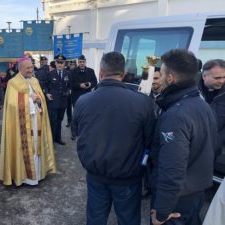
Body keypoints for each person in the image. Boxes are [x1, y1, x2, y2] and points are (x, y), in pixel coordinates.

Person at [72, 52, 155, 225]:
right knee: (128, 219)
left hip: (96, 173)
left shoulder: (83, 101)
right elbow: (150, 141)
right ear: (123, 74)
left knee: (95, 217)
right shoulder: (143, 102)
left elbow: (77, 132)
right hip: (128, 176)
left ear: (101, 72)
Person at [149, 49, 218, 225]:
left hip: (178, 200)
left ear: (170, 78)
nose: (160, 78)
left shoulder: (177, 115)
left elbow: (172, 169)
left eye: (162, 74)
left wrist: (162, 213)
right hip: (196, 191)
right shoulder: (200, 103)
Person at [0, 57, 56, 186]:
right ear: (20, 69)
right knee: (24, 147)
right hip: (21, 124)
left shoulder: (35, 81)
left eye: (31, 67)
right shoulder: (13, 83)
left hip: (36, 120)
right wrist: (30, 100)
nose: (31, 70)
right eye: (28, 68)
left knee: (36, 145)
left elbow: (41, 99)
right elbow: (12, 105)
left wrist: (38, 100)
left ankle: (38, 174)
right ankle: (24, 177)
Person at [199, 59, 225, 148]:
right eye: (217, 78)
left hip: (213, 147)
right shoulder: (191, 91)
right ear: (204, 76)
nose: (222, 81)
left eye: (224, 77)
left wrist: (216, 142)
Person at [45, 54, 70, 145]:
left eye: (61, 63)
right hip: (53, 102)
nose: (60, 64)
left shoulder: (68, 73)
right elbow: (45, 86)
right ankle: (50, 140)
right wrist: (47, 93)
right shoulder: (50, 74)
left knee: (59, 121)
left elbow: (70, 86)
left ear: (64, 64)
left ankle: (58, 138)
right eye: (58, 62)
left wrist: (68, 91)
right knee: (52, 121)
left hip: (63, 102)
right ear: (55, 63)